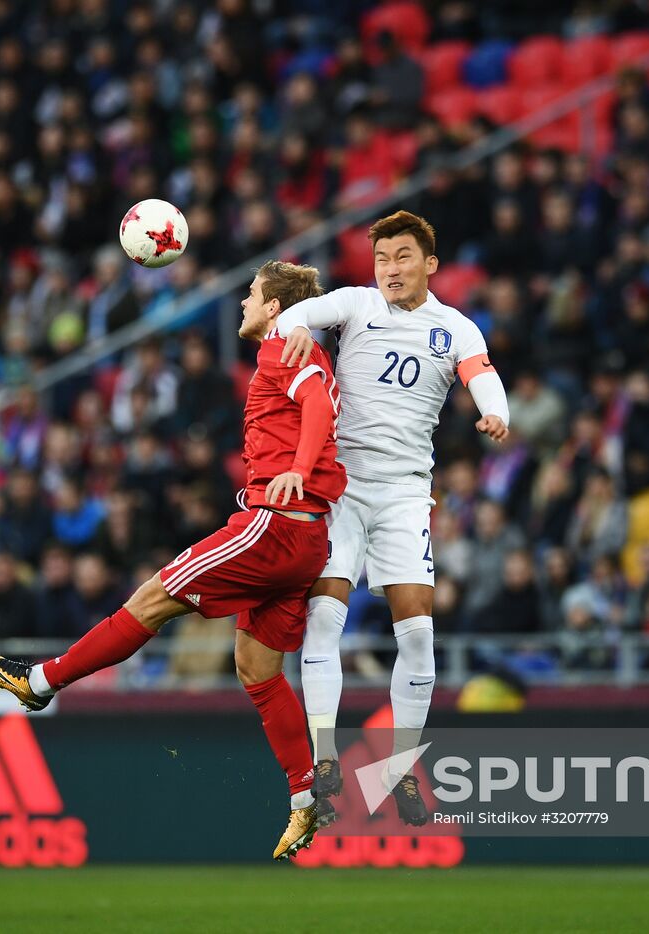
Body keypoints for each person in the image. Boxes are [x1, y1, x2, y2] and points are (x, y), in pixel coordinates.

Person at [0, 261, 347, 860]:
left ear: (276, 307)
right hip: (305, 540)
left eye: (252, 293)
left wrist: (299, 471)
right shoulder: (303, 349)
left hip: (273, 525)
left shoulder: (285, 344)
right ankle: (306, 797)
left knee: (153, 597)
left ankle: (42, 682)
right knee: (258, 670)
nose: (244, 302)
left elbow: (316, 409)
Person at [274, 210, 510, 827]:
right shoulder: (355, 304)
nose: (390, 269)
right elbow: (299, 314)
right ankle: (325, 755)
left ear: (430, 264)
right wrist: (294, 329)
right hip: (342, 488)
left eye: (402, 257)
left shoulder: (454, 328)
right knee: (325, 618)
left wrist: (495, 414)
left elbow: (482, 376)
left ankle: (400, 766)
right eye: (381, 258)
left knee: (420, 634)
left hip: (405, 495)